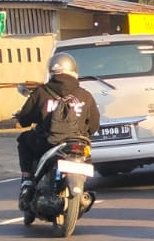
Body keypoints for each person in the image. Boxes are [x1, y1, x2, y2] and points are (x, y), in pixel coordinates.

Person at [14, 52, 101, 201]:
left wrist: (22, 118)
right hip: (77, 143)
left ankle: (27, 179)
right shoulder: (84, 95)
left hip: (47, 143)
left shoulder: (41, 93)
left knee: (23, 140)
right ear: (73, 70)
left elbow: (26, 119)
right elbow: (93, 126)